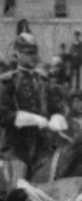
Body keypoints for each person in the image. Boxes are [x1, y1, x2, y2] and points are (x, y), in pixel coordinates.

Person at [0, 33, 68, 187]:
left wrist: (57, 117)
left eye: (34, 53)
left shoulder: (43, 80)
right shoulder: (7, 81)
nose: (32, 57)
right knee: (15, 193)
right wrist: (33, 119)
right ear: (17, 55)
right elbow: (3, 114)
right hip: (15, 147)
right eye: (27, 53)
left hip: (42, 146)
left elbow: (55, 106)